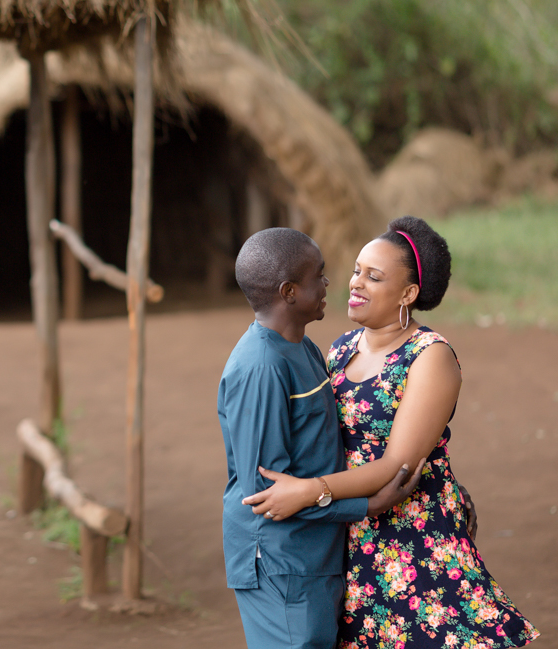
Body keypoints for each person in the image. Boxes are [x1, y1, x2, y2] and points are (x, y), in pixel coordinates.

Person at [242, 216, 539, 648]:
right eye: (357, 270)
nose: (355, 283)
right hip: (350, 530)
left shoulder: (430, 357)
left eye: (374, 276)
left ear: (408, 293)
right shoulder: (341, 348)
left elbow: (397, 462)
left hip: (413, 531)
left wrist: (309, 491)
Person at [218, 227, 422, 649]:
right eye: (319, 276)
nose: (331, 284)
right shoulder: (261, 368)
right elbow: (266, 493)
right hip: (278, 561)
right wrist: (369, 504)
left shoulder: (305, 350)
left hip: (310, 555)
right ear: (290, 292)